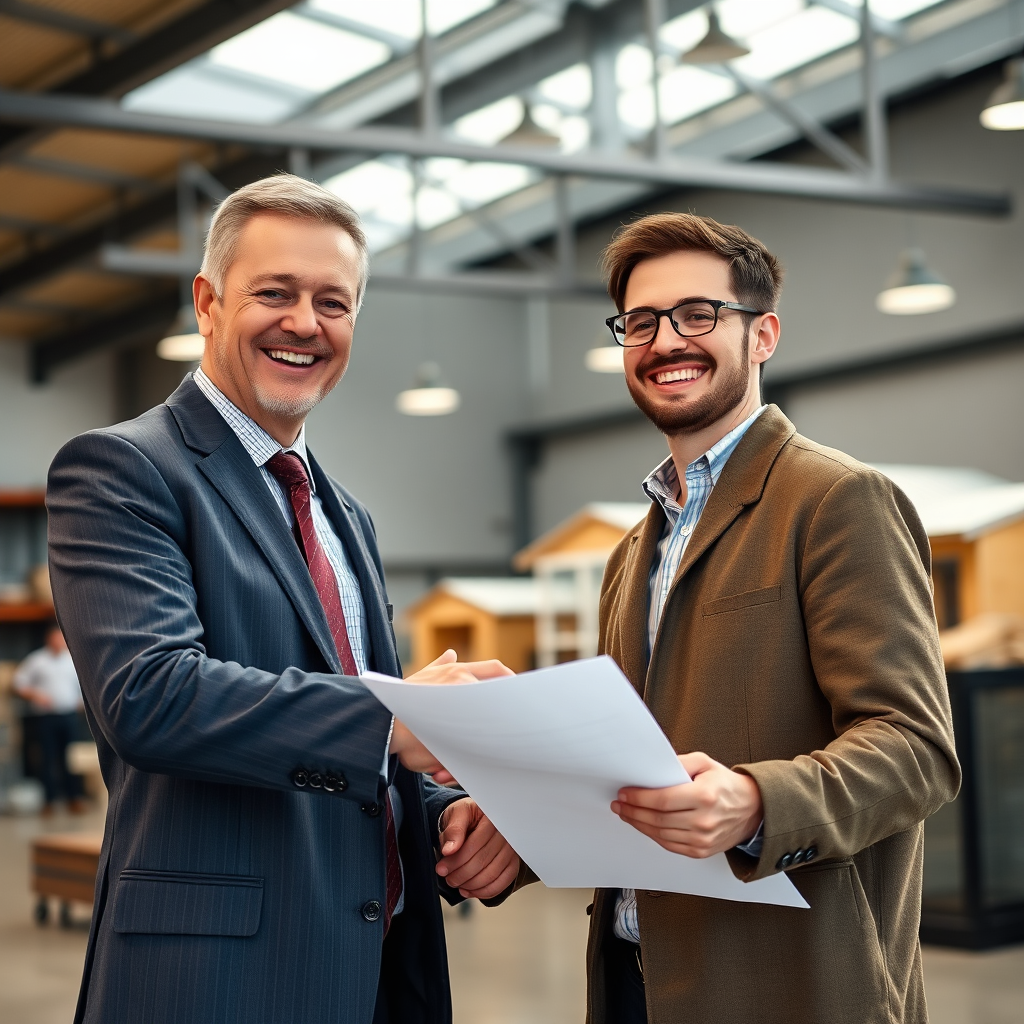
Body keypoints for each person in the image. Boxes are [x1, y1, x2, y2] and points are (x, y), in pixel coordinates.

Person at [47, 174, 521, 1024]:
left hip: (376, 970)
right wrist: (395, 716)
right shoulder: (123, 470)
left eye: (332, 302)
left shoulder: (349, 517)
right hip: (216, 981)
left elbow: (350, 747)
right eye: (276, 293)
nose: (305, 323)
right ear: (208, 300)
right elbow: (150, 696)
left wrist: (458, 818)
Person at [587, 212, 960, 1024]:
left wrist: (756, 803)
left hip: (786, 984)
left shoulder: (836, 501)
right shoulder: (629, 554)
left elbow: (916, 749)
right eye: (641, 323)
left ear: (763, 336)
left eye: (698, 315)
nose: (664, 341)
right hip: (635, 977)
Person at [13, 623, 85, 815]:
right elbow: (19, 683)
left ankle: (74, 798)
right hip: (45, 717)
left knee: (70, 758)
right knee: (47, 758)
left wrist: (80, 702)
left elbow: (82, 686)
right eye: (55, 637)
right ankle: (49, 801)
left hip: (68, 715)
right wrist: (36, 695)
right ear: (48, 639)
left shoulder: (71, 660)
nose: (58, 641)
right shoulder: (37, 660)